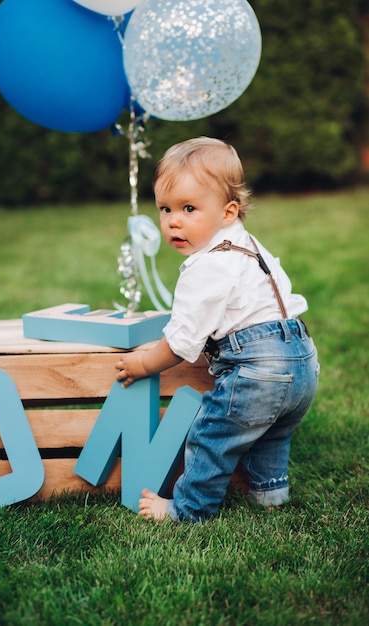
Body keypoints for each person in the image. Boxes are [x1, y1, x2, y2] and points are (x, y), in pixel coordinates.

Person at [115, 137, 319, 522]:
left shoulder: (207, 266)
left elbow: (181, 341)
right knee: (272, 432)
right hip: (303, 361)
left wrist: (143, 365)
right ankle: (270, 493)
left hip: (259, 370)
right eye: (165, 209)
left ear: (228, 212)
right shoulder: (248, 245)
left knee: (212, 435)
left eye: (189, 208)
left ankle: (188, 509)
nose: (174, 220)